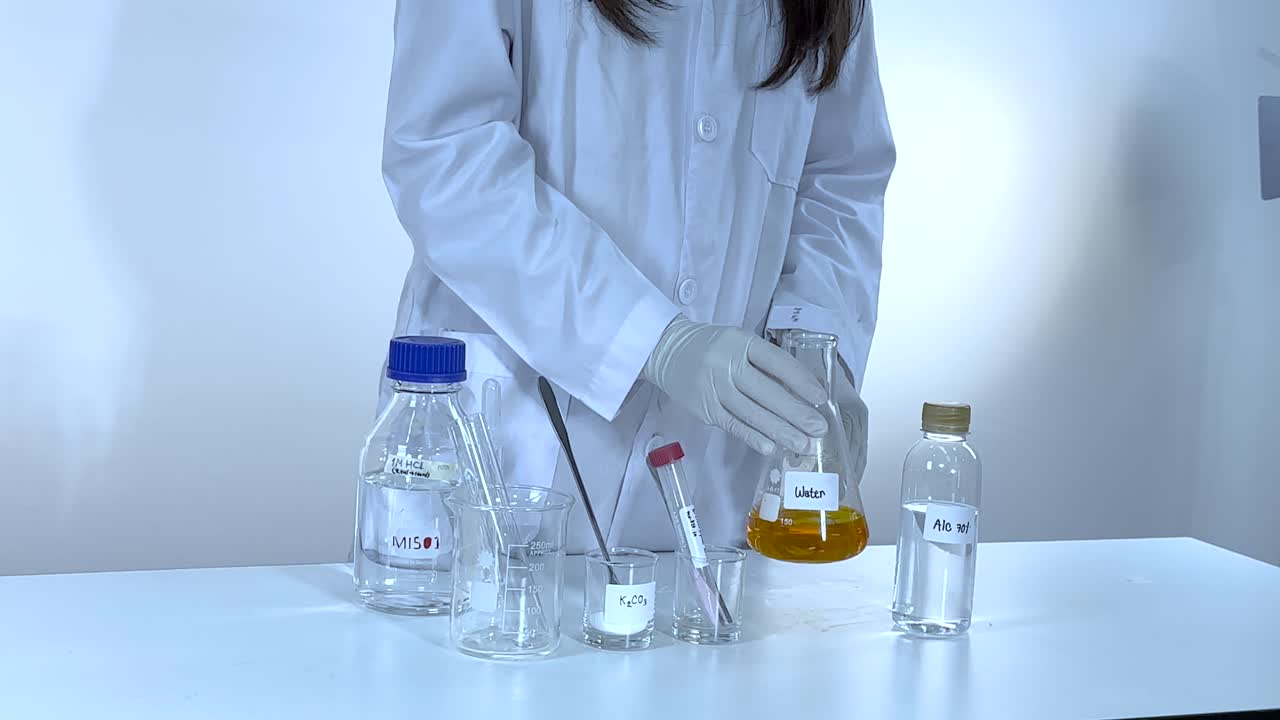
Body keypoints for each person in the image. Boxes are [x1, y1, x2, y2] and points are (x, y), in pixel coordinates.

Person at [381, 0, 895, 553]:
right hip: (513, 438)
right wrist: (650, 340)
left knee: (700, 622)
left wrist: (816, 350)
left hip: (716, 468)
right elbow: (447, 157)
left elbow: (839, 175)